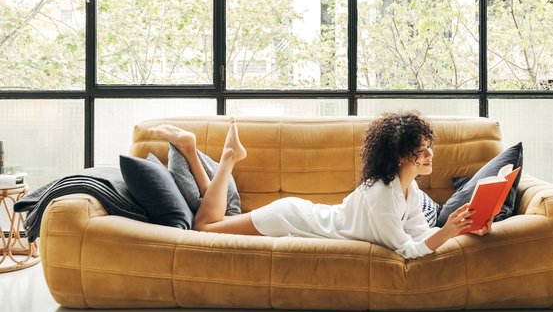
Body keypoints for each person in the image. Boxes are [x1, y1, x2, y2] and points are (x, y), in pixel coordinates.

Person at [147, 112, 492, 258]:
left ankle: (210, 154)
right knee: (205, 227)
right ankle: (220, 156)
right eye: (423, 149)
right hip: (291, 220)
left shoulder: (409, 189)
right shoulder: (383, 196)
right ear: (402, 156)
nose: (431, 154)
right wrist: (448, 232)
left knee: (216, 222)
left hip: (303, 214)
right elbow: (407, 251)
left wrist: (463, 230)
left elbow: (420, 233)